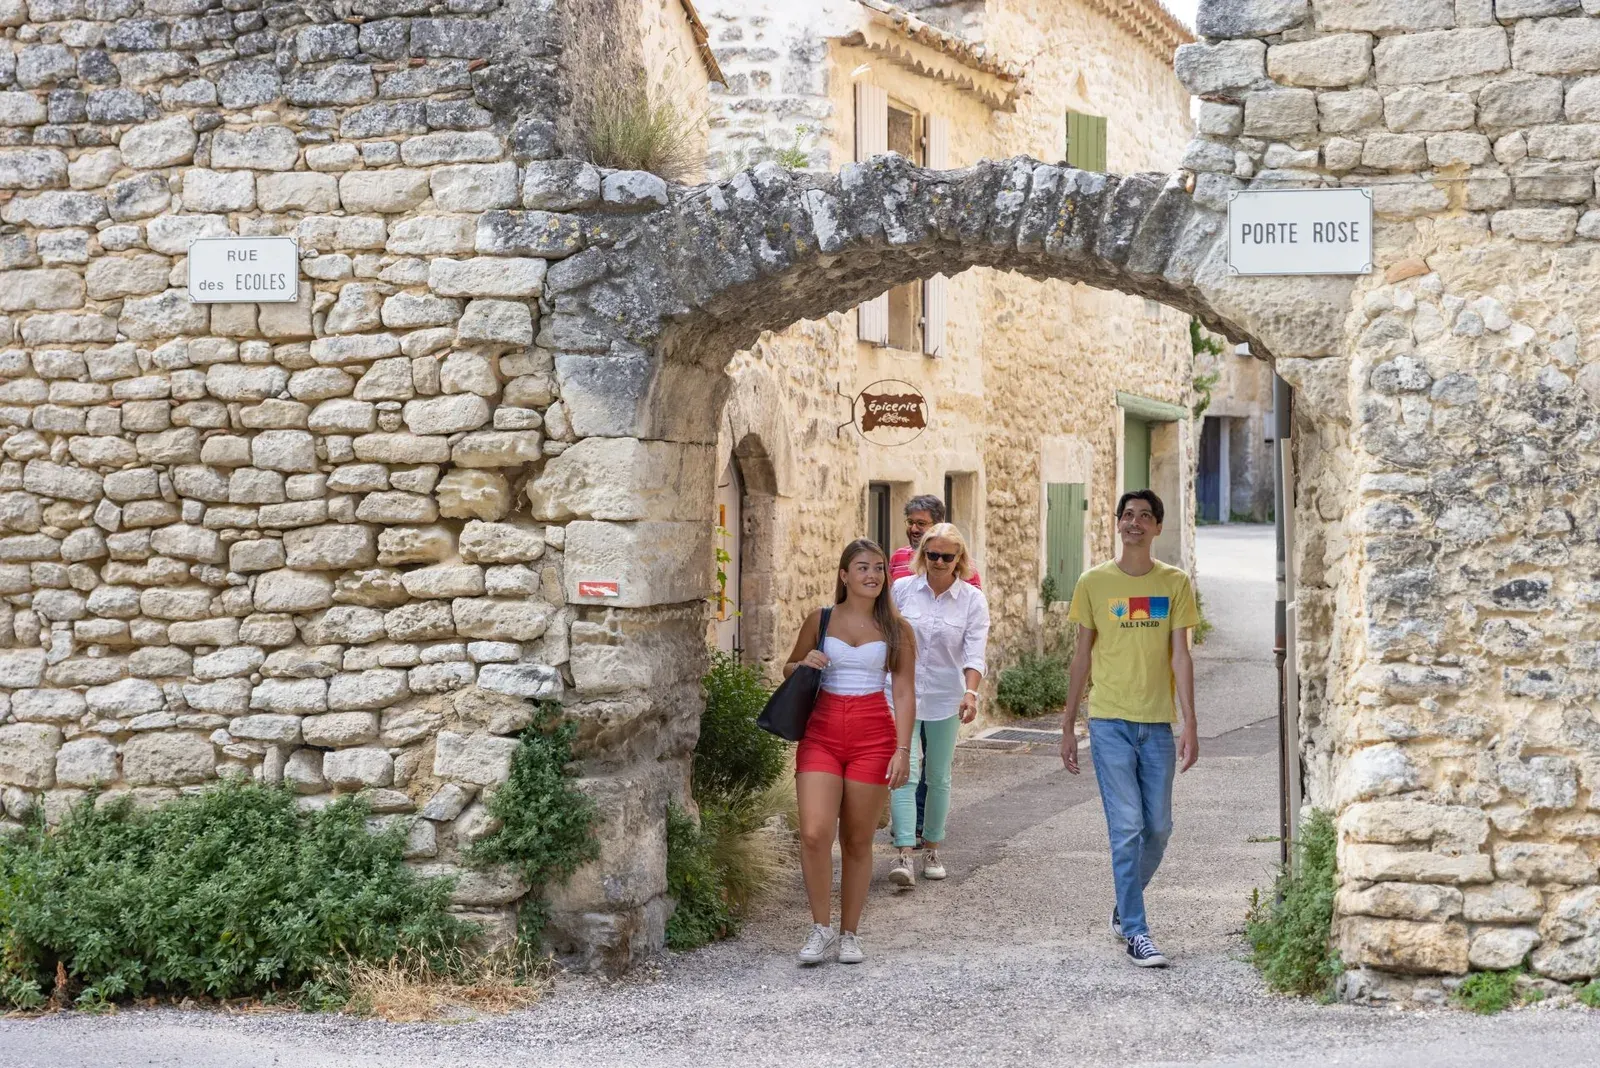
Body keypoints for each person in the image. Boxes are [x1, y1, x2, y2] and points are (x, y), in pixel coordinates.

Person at [1060, 489, 1198, 969]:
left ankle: (1124, 906)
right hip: (1109, 722)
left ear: (1157, 526)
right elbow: (1081, 657)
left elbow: (1181, 656)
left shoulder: (1174, 583)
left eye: (1144, 516)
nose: (1134, 522)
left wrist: (1190, 722)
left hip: (1157, 724)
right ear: (1117, 523)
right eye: (1127, 515)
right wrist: (1068, 724)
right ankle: (1137, 932)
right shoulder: (1093, 583)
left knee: (1158, 828)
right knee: (1127, 826)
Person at [785, 539, 915, 965]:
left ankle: (849, 933)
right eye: (862, 567)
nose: (872, 575)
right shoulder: (820, 619)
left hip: (873, 736)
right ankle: (820, 928)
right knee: (814, 832)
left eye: (879, 568)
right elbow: (788, 666)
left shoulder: (898, 629)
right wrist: (804, 663)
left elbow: (904, 692)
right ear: (844, 575)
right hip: (821, 733)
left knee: (858, 840)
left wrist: (902, 749)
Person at [887, 523, 989, 888]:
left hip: (946, 696)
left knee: (939, 775)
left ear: (959, 558)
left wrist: (971, 693)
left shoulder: (972, 601)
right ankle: (903, 853)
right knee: (905, 770)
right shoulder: (902, 590)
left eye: (947, 556)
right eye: (933, 555)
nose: (939, 562)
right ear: (923, 555)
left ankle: (931, 848)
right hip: (901, 693)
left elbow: (974, 652)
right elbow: (885, 637)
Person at [889, 495, 982, 589]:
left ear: (938, 525)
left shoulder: (962, 566)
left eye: (921, 523)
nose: (914, 529)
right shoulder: (898, 557)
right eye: (910, 522)